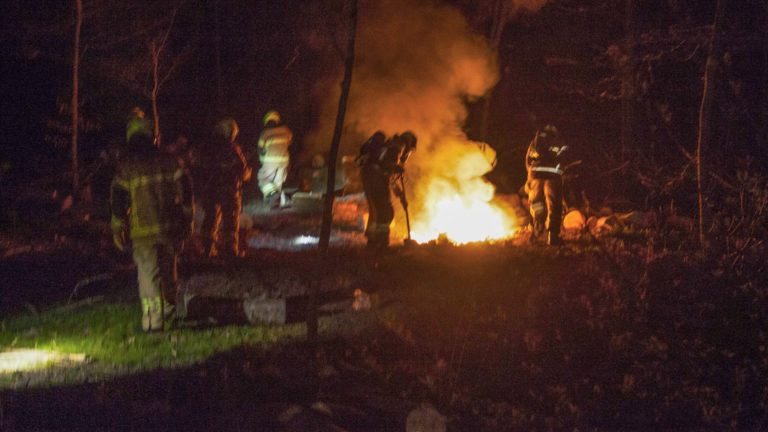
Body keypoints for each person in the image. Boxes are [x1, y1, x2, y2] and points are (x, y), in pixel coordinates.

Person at [110, 108, 194, 332]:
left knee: (148, 275)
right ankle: (170, 311)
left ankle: (154, 321)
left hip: (142, 234)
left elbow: (118, 200)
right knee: (168, 271)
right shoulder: (169, 161)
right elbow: (186, 189)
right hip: (169, 229)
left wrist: (118, 228)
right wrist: (188, 218)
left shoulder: (126, 167)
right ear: (152, 135)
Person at [196, 118, 251, 258]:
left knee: (210, 220)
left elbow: (199, 169)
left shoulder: (206, 148)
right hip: (228, 191)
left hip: (209, 190)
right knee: (230, 221)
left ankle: (207, 250)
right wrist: (247, 174)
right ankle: (230, 251)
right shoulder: (232, 149)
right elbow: (242, 171)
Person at [359, 131, 417, 250]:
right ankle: (382, 244)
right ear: (408, 143)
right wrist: (397, 168)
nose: (408, 153)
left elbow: (390, 178)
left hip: (368, 177)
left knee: (375, 210)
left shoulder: (388, 145)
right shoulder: (397, 146)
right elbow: (387, 168)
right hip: (377, 178)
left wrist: (401, 197)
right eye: (410, 150)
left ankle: (372, 242)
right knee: (386, 211)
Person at [525, 124, 568, 246]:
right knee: (554, 205)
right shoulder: (559, 143)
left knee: (537, 203)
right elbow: (564, 160)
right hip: (553, 176)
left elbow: (528, 161)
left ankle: (536, 233)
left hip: (535, 175)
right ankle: (552, 236)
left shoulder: (534, 143)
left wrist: (531, 174)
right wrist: (560, 173)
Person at [256, 110, 293, 208]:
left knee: (263, 179)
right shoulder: (286, 130)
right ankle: (277, 203)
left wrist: (262, 160)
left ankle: (273, 196)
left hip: (270, 161)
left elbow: (260, 149)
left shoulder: (265, 133)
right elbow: (289, 142)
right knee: (278, 182)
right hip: (285, 161)